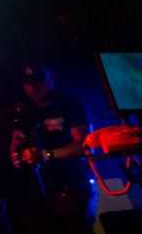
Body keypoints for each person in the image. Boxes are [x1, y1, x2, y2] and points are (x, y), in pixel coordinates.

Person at [9, 58, 98, 234]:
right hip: (41, 191)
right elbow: (16, 141)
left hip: (73, 187)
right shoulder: (24, 109)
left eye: (39, 82)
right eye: (29, 83)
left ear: (51, 79)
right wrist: (16, 154)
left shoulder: (69, 103)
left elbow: (85, 146)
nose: (34, 88)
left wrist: (46, 154)